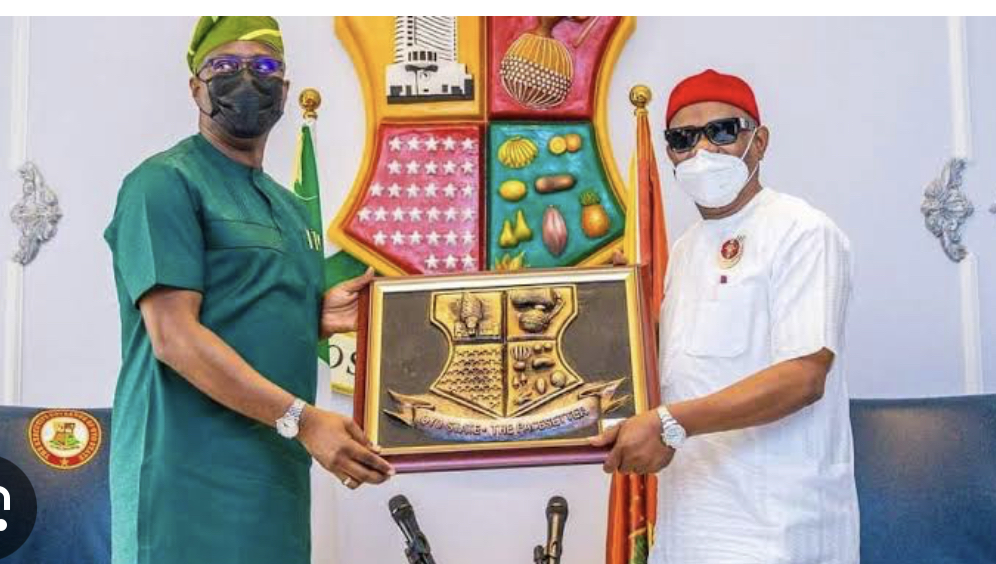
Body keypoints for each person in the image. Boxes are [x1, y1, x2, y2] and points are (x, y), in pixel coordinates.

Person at [103, 16, 392, 564]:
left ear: (283, 89)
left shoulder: (290, 209)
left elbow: (244, 308)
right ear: (196, 87)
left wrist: (313, 315)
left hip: (272, 480)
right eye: (224, 65)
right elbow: (173, 336)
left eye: (264, 66)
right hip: (183, 481)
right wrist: (305, 420)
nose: (246, 79)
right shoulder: (164, 183)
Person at [591, 69, 859, 563]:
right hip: (689, 521)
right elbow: (678, 369)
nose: (702, 151)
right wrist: (614, 304)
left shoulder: (802, 231)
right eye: (683, 138)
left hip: (777, 527)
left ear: (759, 142)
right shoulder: (684, 251)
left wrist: (670, 424)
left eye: (721, 131)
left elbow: (803, 377)